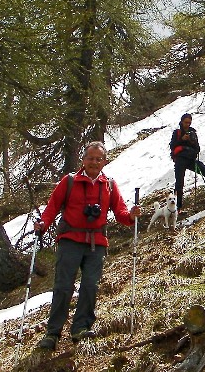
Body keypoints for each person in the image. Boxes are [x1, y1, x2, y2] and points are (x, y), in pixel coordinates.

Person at [33, 142, 140, 350]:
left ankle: (81, 328)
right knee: (63, 286)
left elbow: (120, 212)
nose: (94, 162)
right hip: (70, 240)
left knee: (90, 285)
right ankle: (52, 333)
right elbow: (52, 206)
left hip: (96, 243)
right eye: (91, 158)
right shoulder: (69, 181)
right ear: (83, 160)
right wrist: (43, 224)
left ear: (104, 162)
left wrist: (131, 217)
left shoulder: (109, 184)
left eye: (98, 159)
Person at [169, 112, 205, 211]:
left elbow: (198, 148)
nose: (187, 124)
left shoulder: (193, 133)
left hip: (191, 159)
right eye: (186, 122)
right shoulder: (177, 133)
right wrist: (182, 140)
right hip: (180, 160)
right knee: (179, 184)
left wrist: (192, 142)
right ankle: (177, 208)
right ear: (182, 122)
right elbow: (172, 146)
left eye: (189, 123)